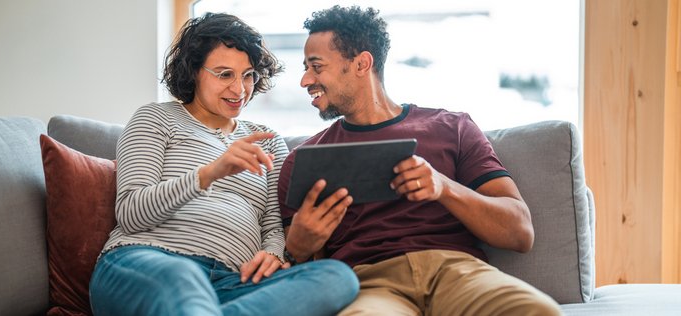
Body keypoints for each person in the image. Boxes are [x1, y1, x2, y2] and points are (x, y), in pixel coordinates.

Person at [278, 5, 563, 316]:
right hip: (369, 284)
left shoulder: (452, 127)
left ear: (362, 63)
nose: (305, 80)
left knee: (538, 311)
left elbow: (520, 232)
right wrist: (299, 247)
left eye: (316, 67)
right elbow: (304, 273)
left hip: (457, 272)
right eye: (305, 68)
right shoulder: (303, 160)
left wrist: (444, 187)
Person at [89, 12, 358, 316]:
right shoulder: (156, 118)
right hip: (144, 263)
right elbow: (131, 214)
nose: (240, 90)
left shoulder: (267, 141)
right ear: (194, 72)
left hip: (232, 282)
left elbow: (273, 223)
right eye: (224, 74)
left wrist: (272, 254)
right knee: (182, 277)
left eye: (248, 75)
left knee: (337, 278)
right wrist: (210, 173)